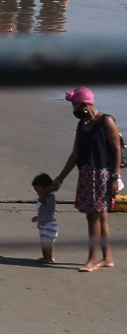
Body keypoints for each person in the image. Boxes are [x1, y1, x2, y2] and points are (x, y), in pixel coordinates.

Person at [49, 88, 120, 271]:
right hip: (87, 174)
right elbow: (75, 155)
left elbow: (117, 150)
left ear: (86, 104)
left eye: (76, 106)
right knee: (100, 217)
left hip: (102, 175)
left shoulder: (106, 121)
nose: (75, 110)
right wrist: (60, 179)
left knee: (93, 217)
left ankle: (92, 260)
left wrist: (114, 177)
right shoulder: (82, 125)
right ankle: (108, 258)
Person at [34, 173, 62, 265]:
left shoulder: (50, 196)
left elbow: (41, 199)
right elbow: (45, 211)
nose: (38, 193)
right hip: (49, 224)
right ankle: (51, 257)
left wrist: (48, 190)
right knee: (50, 243)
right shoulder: (48, 196)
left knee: (45, 244)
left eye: (38, 191)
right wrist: (38, 217)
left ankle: (46, 258)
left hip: (48, 225)